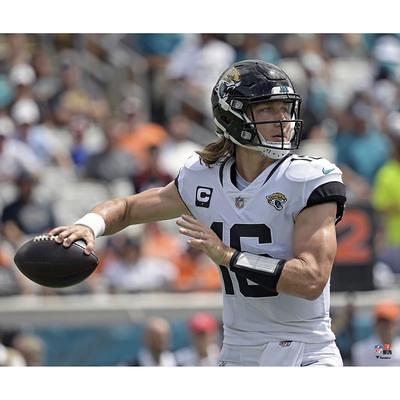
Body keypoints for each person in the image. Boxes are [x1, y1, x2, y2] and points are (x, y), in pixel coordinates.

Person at [50, 60, 347, 366]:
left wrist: (229, 256)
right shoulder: (203, 175)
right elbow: (127, 208)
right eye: (267, 109)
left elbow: (312, 279)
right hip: (238, 350)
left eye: (284, 109)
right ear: (232, 116)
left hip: (306, 349)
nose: (282, 119)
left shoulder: (309, 178)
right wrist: (89, 225)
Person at [351, 300, 400, 366]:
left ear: (395, 324)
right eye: (380, 322)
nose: (383, 327)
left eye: (388, 322)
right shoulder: (361, 350)